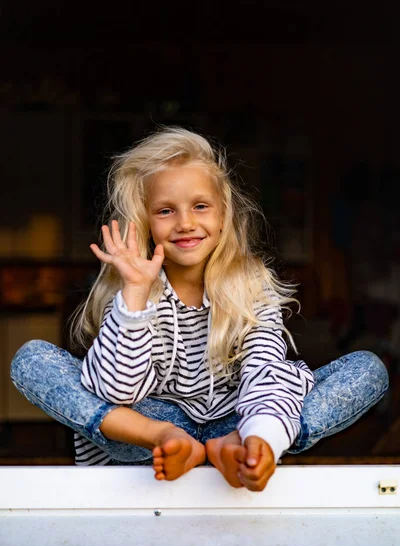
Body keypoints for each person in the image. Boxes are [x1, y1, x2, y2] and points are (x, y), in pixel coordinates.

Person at [10, 126, 389, 492]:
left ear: (223, 215)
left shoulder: (250, 287)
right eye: (165, 211)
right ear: (144, 223)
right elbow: (115, 390)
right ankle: (177, 443)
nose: (186, 223)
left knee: (367, 370)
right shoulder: (132, 292)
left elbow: (265, 370)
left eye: (200, 206)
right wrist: (136, 294)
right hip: (148, 435)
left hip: (235, 423)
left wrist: (260, 437)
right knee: (32, 361)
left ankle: (239, 447)